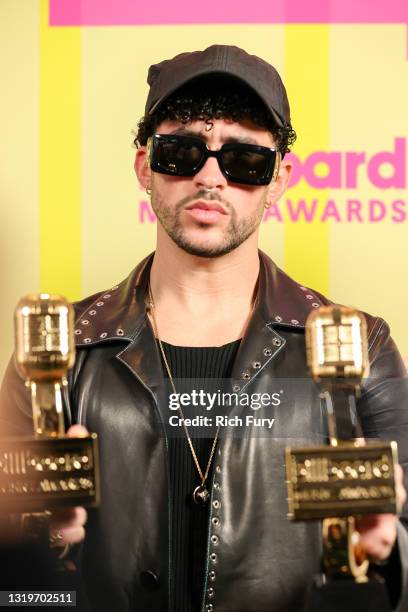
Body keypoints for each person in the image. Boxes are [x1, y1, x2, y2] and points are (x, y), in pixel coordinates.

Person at [1, 45, 408, 612]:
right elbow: (18, 594)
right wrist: (42, 553)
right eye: (182, 151)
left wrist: (379, 555)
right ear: (145, 165)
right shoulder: (58, 352)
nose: (211, 176)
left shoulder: (363, 349)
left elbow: (403, 552)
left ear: (281, 179)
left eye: (245, 160)